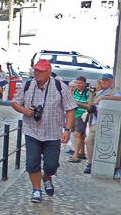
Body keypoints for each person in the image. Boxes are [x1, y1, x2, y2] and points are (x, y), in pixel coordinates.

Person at [11, 59, 77, 203]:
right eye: (35, 70)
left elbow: (70, 108)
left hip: (52, 133)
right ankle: (37, 190)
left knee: (51, 165)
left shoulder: (60, 86)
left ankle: (47, 177)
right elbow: (15, 102)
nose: (37, 73)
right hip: (32, 131)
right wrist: (24, 110)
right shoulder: (28, 85)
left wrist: (67, 130)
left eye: (40, 71)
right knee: (32, 163)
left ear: (48, 72)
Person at [83, 73, 121, 174]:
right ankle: (90, 163)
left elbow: (119, 99)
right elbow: (90, 105)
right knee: (89, 141)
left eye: (106, 80)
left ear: (111, 82)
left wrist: (103, 98)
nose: (103, 82)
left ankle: (100, 165)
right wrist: (92, 94)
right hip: (95, 120)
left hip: (107, 121)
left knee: (103, 144)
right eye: (103, 80)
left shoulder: (114, 91)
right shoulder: (99, 92)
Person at [68, 76, 90, 163]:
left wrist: (78, 103)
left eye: (80, 83)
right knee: (80, 134)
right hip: (74, 114)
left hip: (81, 115)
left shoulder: (87, 92)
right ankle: (81, 152)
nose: (78, 85)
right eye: (77, 83)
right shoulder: (76, 91)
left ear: (84, 83)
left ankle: (76, 154)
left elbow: (89, 105)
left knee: (77, 133)